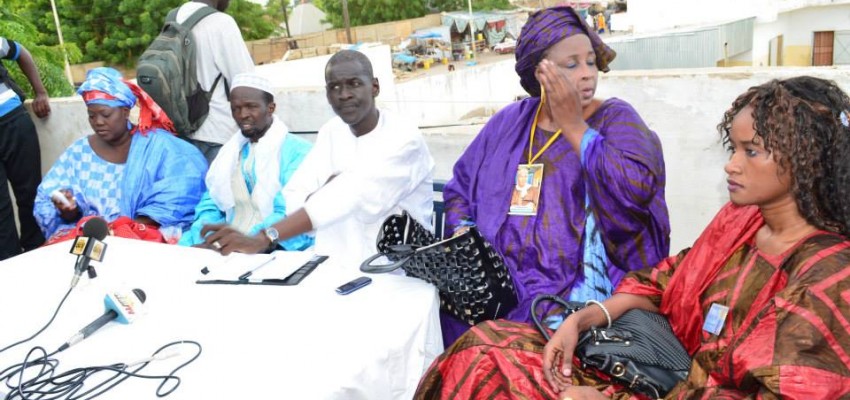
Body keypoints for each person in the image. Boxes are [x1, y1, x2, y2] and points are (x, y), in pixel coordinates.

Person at [415, 76, 850, 399]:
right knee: (483, 346)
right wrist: (581, 320)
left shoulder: (826, 278)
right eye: (732, 148)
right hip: (648, 370)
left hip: (665, 390)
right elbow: (666, 279)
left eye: (749, 151)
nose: (730, 166)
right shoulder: (742, 222)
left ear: (804, 161)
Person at [440, 6, 669, 345]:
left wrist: (574, 126)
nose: (588, 73)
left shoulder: (615, 118)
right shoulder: (510, 121)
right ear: (539, 71)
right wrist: (466, 235)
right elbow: (460, 187)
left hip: (572, 296)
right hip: (496, 287)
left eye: (591, 61)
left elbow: (635, 193)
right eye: (571, 64)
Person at [199, 50, 434, 264]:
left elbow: (353, 194)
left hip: (396, 269)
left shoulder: (404, 138)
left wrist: (266, 236)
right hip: (333, 261)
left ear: (374, 87)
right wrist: (329, 192)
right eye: (334, 87)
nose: (344, 95)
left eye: (354, 84)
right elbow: (294, 195)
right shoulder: (332, 132)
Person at [34, 67, 207, 243]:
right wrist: (69, 212)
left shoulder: (161, 148)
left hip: (144, 244)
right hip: (90, 243)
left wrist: (124, 231)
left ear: (125, 112)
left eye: (105, 114)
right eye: (91, 116)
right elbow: (48, 200)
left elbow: (184, 188)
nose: (98, 122)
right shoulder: (77, 154)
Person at [180, 72, 313, 250]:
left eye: (251, 107)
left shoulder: (298, 151)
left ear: (271, 108)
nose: (243, 115)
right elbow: (210, 203)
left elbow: (289, 210)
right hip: (224, 242)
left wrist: (243, 242)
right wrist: (211, 238)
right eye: (236, 108)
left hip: (273, 243)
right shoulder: (229, 153)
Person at [176, 0, 254, 163]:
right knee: (226, 188)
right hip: (218, 135)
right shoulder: (221, 22)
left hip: (180, 134)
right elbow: (247, 82)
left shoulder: (173, 18)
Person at [0, 37, 50, 259]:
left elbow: (21, 52)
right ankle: (9, 263)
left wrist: (40, 92)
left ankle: (35, 252)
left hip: (13, 122)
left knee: (30, 192)